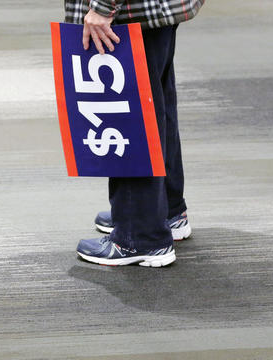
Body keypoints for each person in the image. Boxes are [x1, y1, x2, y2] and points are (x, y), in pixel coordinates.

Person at [68, 0, 205, 267]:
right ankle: (164, 211)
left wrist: (102, 8)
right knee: (155, 104)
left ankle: (139, 235)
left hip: (131, 10)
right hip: (153, 7)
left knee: (132, 115)